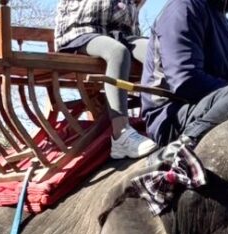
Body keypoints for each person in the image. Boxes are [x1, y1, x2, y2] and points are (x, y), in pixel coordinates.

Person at [140, 0, 228, 150]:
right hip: (173, 115)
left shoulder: (225, 23)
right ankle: (182, 148)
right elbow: (185, 81)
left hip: (207, 106)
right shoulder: (183, 7)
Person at [55, 0, 157, 159]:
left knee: (158, 50)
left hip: (123, 34)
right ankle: (121, 133)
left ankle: (169, 115)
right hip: (83, 32)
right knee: (118, 52)